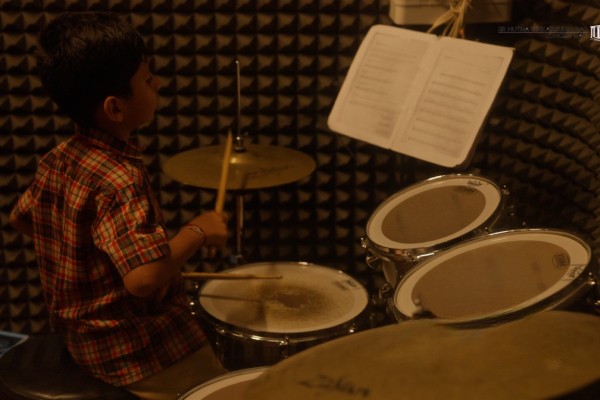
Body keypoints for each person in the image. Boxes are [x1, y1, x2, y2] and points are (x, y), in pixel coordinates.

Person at [9, 11, 228, 400]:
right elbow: (143, 280)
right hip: (129, 346)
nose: (157, 83)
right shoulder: (120, 178)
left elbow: (21, 218)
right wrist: (198, 231)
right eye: (147, 78)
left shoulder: (59, 157)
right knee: (228, 389)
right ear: (115, 108)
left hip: (80, 336)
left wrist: (88, 265)